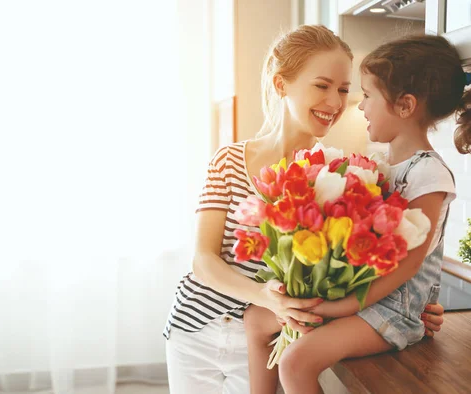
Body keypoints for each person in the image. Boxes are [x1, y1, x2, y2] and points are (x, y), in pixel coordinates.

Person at [164, 25, 446, 394]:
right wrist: (265, 296)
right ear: (282, 84)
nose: (335, 102)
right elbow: (203, 260)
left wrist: (414, 304)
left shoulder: (344, 174)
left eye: (344, 90)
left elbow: (364, 266)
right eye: (322, 85)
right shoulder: (229, 160)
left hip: (271, 339)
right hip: (196, 331)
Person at [244, 33, 471, 394]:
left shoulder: (428, 173)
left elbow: (409, 266)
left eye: (367, 96)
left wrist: (340, 307)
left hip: (392, 312)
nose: (360, 107)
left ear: (404, 106)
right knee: (256, 319)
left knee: (296, 361)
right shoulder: (385, 166)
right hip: (367, 303)